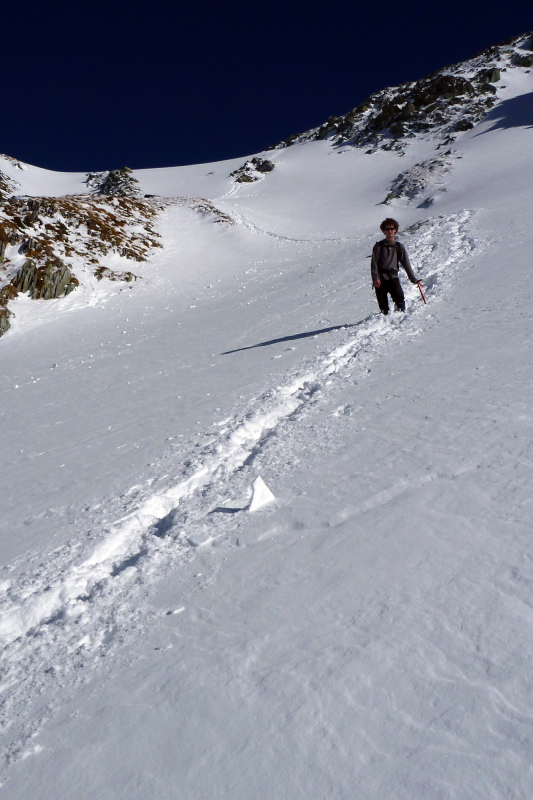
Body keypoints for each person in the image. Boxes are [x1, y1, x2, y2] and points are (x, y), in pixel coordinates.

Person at [371, 218, 422, 315]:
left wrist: (413, 279)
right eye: (387, 229)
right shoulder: (378, 246)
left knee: (399, 297)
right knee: (382, 302)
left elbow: (406, 263)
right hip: (380, 278)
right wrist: (375, 278)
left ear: (395, 230)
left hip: (393, 276)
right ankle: (385, 320)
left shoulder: (399, 247)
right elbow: (374, 263)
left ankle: (400, 316)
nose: (390, 231)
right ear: (383, 231)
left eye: (391, 229)